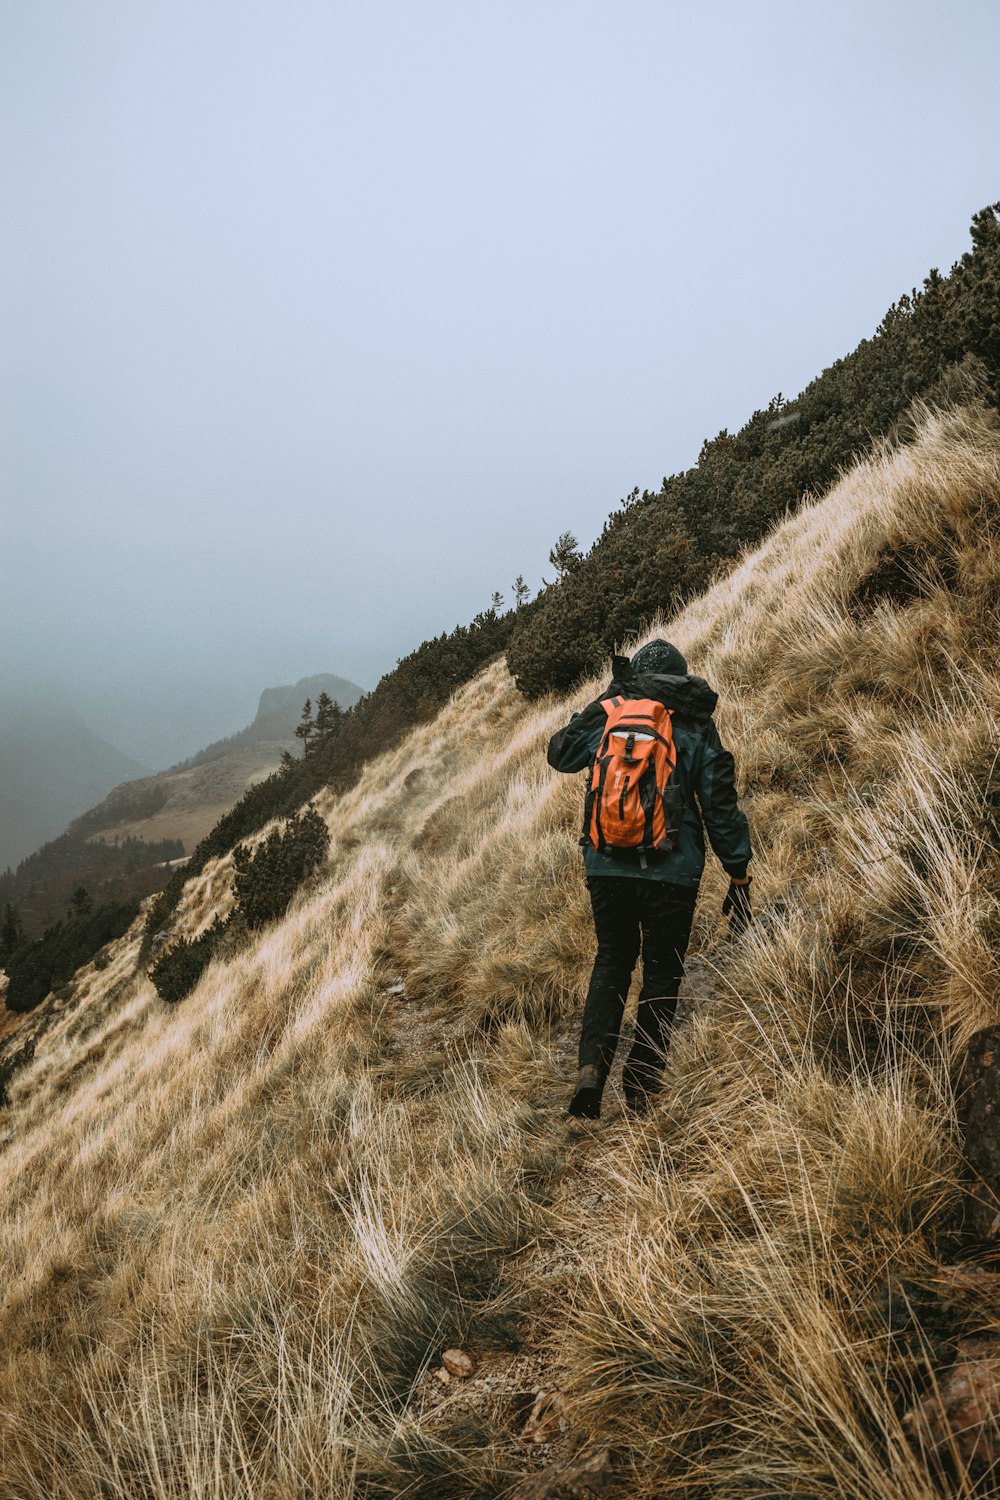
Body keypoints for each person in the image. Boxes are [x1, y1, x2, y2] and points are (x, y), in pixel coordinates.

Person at [547, 638, 752, 1119]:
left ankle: (590, 1073)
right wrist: (738, 872)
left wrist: (606, 698)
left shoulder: (613, 710)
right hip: (673, 873)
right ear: (681, 678)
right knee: (663, 969)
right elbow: (719, 805)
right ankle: (641, 1082)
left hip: (605, 864)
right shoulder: (696, 721)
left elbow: (560, 753)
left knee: (613, 959)